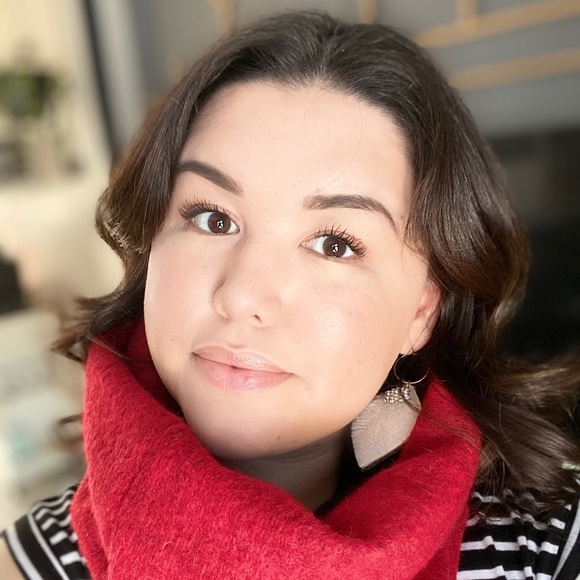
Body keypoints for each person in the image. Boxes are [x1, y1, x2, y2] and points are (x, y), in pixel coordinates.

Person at [2, 10, 580, 579]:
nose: (243, 296)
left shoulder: (543, 541)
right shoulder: (33, 560)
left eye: (334, 244)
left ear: (421, 312)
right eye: (212, 218)